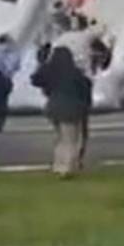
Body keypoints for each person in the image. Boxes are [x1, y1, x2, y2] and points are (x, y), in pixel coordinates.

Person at [31, 45, 91, 178]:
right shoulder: (76, 73)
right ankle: (68, 167)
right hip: (72, 108)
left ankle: (58, 165)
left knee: (60, 138)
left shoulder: (50, 72)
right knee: (71, 139)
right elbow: (85, 89)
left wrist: (43, 64)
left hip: (53, 107)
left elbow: (35, 79)